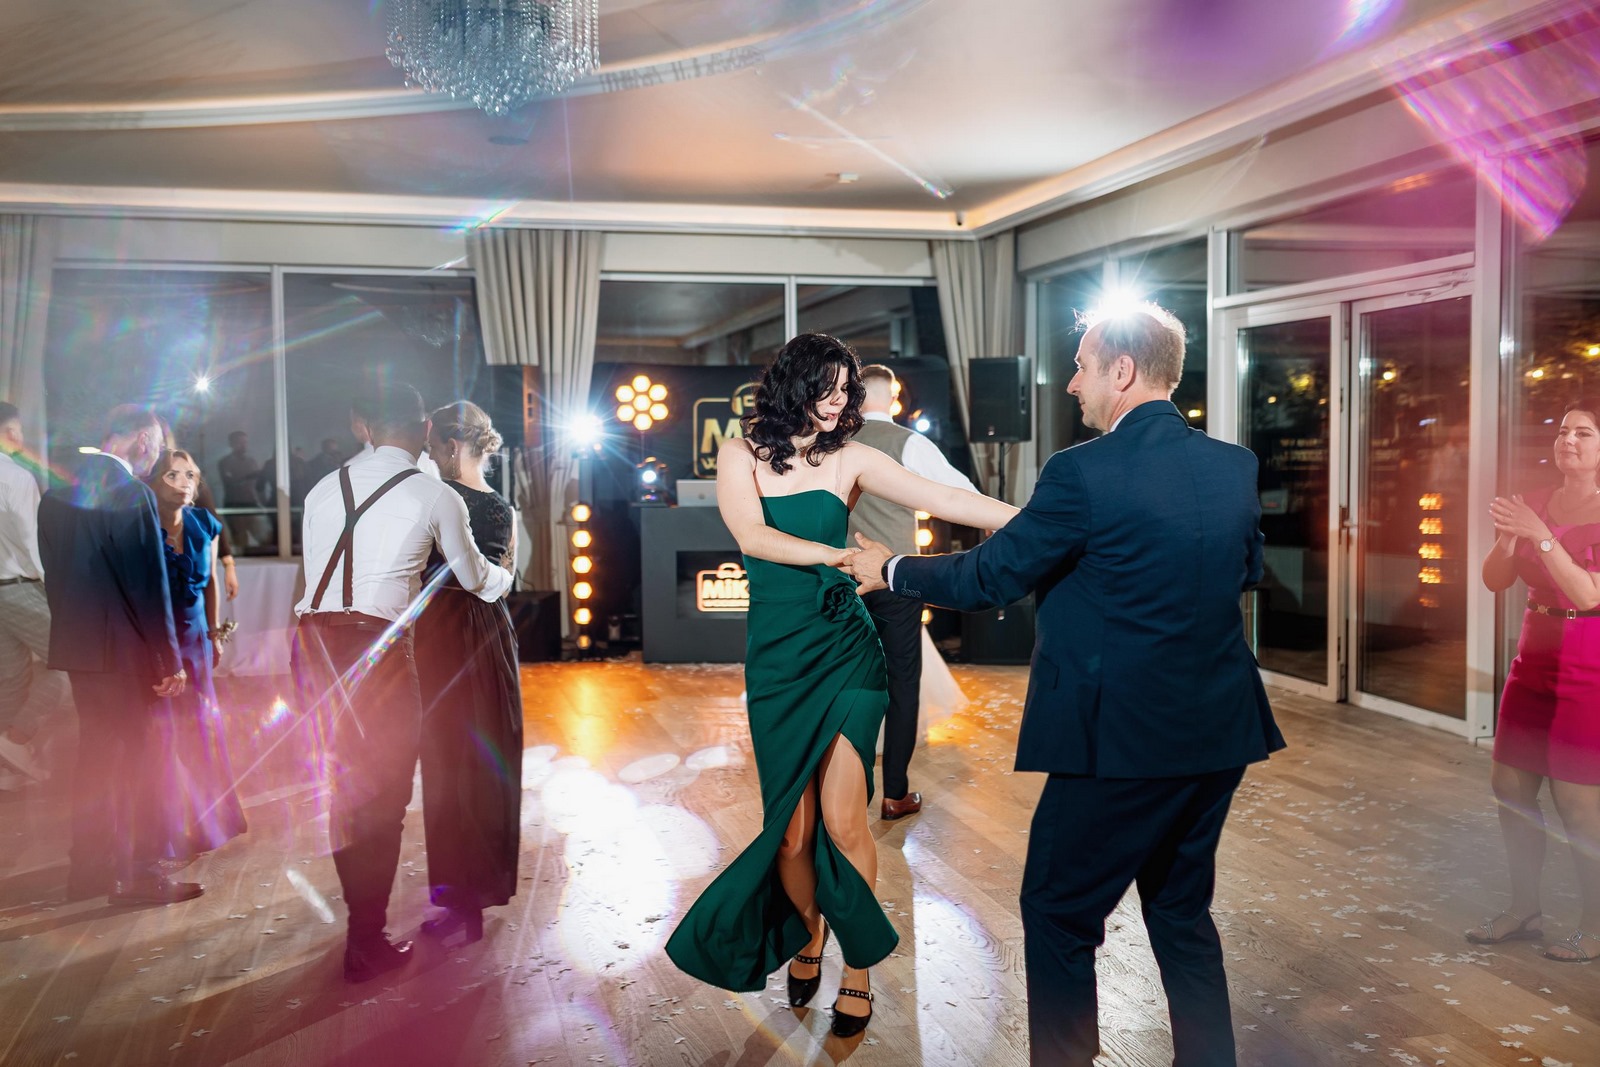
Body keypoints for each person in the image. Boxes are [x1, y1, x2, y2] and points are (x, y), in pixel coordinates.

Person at [845, 304, 1283, 1066]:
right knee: (1181, 915)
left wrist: (890, 568)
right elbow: (1245, 572)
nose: (1074, 383)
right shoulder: (1234, 465)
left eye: (1082, 366)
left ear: (1122, 371)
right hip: (1219, 730)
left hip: (1118, 739)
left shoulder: (1081, 472)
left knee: (1056, 912)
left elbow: (991, 576)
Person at [665, 334, 1017, 1039]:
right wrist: (838, 554)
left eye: (846, 390)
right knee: (792, 837)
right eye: (826, 388)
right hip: (778, 662)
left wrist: (1038, 521)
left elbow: (944, 496)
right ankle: (808, 936)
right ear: (793, 385)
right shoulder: (739, 454)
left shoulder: (851, 456)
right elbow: (753, 536)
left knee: (845, 819)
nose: (838, 401)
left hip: (846, 650)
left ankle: (857, 968)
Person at [293, 382, 511, 983]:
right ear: (423, 430)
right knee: (383, 801)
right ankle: (365, 940)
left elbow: (312, 577)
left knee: (344, 793)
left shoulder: (321, 488)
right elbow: (476, 578)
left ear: (363, 425)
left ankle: (359, 930)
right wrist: (507, 577)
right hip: (375, 652)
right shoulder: (433, 493)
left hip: (312, 651)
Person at [38, 405, 196, 904]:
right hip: (126, 652)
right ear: (143, 440)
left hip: (80, 649)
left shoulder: (56, 495)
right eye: (157, 445)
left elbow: (54, 575)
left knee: (95, 761)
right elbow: (148, 583)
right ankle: (143, 878)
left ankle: (87, 873)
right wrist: (168, 659)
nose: (156, 456)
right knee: (145, 761)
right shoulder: (131, 493)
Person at [1470, 397, 1600, 963]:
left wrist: (1540, 535)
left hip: (1589, 663)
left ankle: (1595, 926)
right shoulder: (1535, 501)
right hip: (1534, 658)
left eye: (1584, 433)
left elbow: (1588, 595)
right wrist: (1507, 541)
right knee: (1510, 787)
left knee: (1577, 803)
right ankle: (1525, 910)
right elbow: (1495, 580)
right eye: (1564, 430)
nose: (1568, 440)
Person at [847, 364, 981, 821]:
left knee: (847, 684)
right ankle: (894, 794)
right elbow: (960, 493)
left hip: (841, 579)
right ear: (893, 397)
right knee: (903, 684)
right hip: (892, 578)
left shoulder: (832, 444)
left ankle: (841, 792)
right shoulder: (907, 443)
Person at [414, 401, 523, 945]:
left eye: (434, 446)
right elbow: (506, 574)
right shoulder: (502, 507)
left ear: (452, 447)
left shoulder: (437, 500)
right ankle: (476, 893)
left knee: (448, 764)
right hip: (489, 634)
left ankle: (460, 899)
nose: (430, 455)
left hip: (446, 636)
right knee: (483, 760)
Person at [144, 449, 248, 860]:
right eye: (172, 475)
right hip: (156, 641)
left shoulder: (205, 523)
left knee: (201, 731)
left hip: (197, 641)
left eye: (190, 474)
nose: (184, 482)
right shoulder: (140, 526)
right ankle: (165, 832)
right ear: (153, 481)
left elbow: (209, 585)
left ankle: (211, 824)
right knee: (161, 735)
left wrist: (215, 633)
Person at [0, 402, 66, 789]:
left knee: (9, 678)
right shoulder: (15, 476)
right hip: (18, 588)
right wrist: (54, 588)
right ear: (10, 433)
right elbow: (31, 542)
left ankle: (6, 769)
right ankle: (17, 738)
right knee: (70, 662)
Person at [350, 399, 442, 480]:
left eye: (352, 422)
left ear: (360, 425)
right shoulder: (428, 462)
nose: (352, 427)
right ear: (426, 429)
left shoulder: (350, 469)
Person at [217, 430, 269, 550]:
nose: (243, 445)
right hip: (234, 506)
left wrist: (263, 503)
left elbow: (257, 485)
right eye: (239, 442)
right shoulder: (225, 462)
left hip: (252, 505)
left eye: (245, 442)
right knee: (240, 540)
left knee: (265, 538)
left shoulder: (251, 462)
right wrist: (248, 477)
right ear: (232, 444)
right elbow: (229, 482)